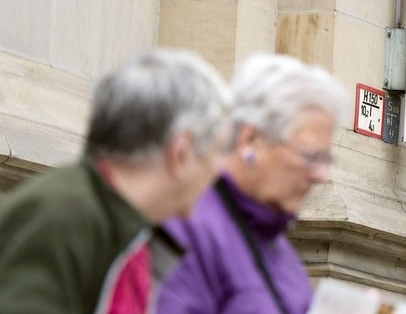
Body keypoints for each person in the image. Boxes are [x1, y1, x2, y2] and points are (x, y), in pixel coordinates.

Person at [0, 48, 232, 313]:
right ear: (182, 151)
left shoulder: (128, 231)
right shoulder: (61, 215)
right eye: (218, 151)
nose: (221, 171)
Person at [157, 53, 348, 314]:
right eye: (310, 156)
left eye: (325, 158)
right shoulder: (185, 227)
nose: (321, 174)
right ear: (250, 140)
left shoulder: (276, 243)